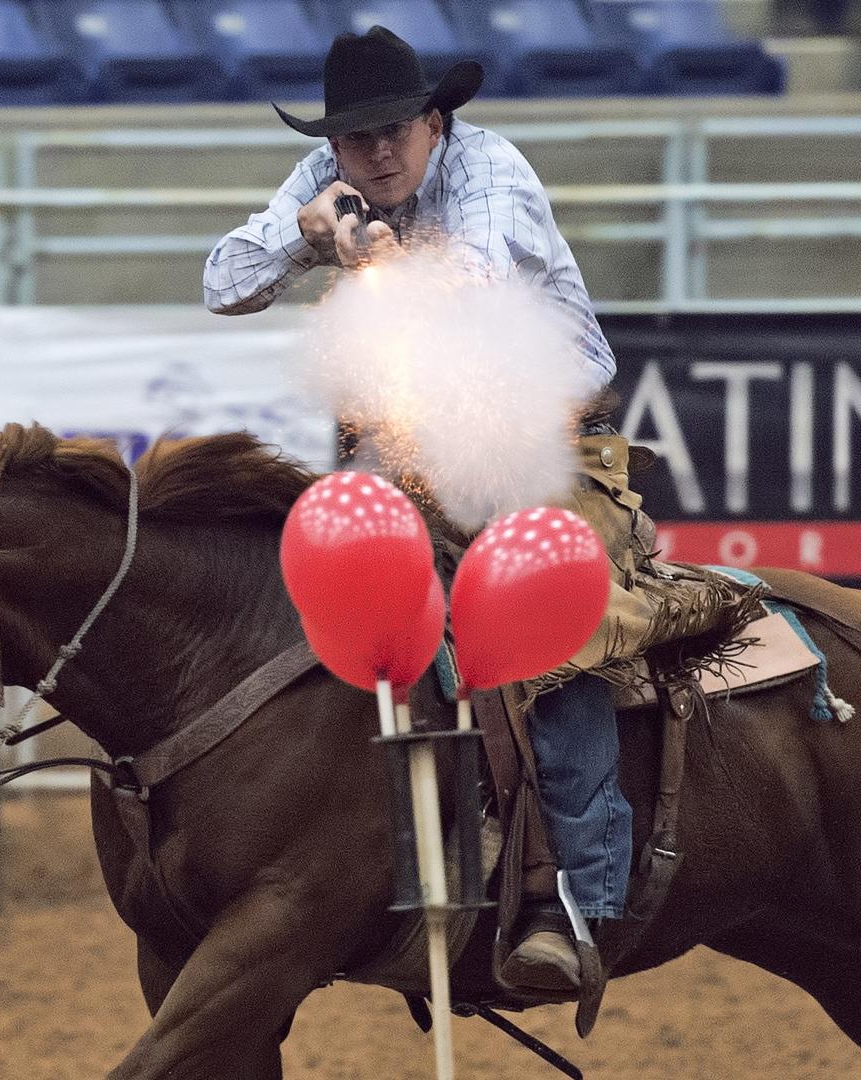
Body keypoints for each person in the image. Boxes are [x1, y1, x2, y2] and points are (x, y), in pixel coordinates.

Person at [204, 26, 656, 994]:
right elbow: (222, 282)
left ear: (434, 123)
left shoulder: (490, 168)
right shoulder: (320, 179)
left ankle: (572, 894)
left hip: (539, 438)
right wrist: (305, 233)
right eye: (354, 137)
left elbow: (478, 282)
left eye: (393, 130)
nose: (374, 152)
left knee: (552, 629)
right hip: (403, 452)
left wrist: (371, 251)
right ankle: (352, 860)